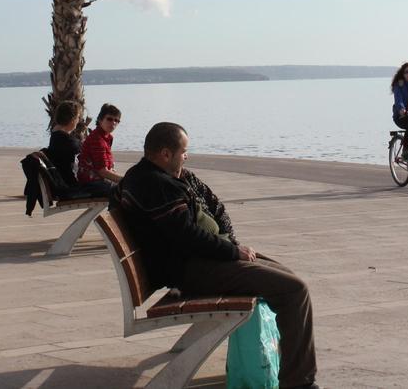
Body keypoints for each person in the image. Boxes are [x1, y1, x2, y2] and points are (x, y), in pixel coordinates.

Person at [111, 122, 318, 389]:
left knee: (286, 277)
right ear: (165, 153)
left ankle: (296, 377)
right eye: (183, 151)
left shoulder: (150, 177)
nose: (186, 157)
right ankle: (299, 384)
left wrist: (231, 244)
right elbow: (189, 237)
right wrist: (233, 250)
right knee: (294, 290)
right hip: (192, 270)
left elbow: (209, 210)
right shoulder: (155, 184)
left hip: (195, 262)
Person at [77, 103, 123, 186]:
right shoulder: (97, 139)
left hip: (99, 180)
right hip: (90, 182)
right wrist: (125, 180)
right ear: (100, 120)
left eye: (117, 121)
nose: (113, 122)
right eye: (109, 119)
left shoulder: (107, 137)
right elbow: (102, 171)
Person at [46, 100, 82, 189]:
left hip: (62, 182)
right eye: (78, 117)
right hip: (71, 185)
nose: (78, 121)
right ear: (72, 119)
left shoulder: (55, 137)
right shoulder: (69, 141)